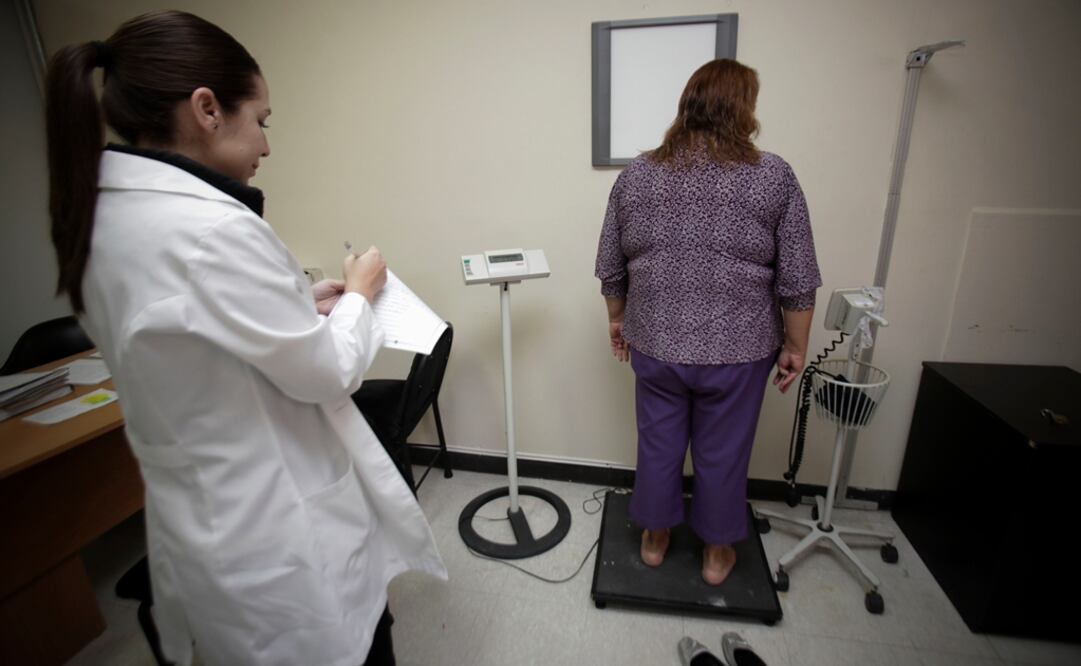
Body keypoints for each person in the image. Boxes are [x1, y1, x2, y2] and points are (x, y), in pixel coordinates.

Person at [44, 10, 445, 665]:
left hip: (207, 522)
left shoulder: (103, 216)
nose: (266, 144)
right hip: (277, 532)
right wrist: (361, 292)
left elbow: (193, 337)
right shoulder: (212, 230)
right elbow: (328, 371)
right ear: (206, 109)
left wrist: (298, 302)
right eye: (260, 120)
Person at [594, 59, 821, 586]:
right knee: (724, 451)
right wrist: (795, 345)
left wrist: (617, 319)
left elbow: (610, 266)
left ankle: (654, 539)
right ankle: (718, 555)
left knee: (658, 441)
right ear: (743, 111)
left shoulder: (638, 174)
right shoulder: (773, 176)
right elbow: (799, 278)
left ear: (687, 105)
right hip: (738, 351)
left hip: (655, 341)